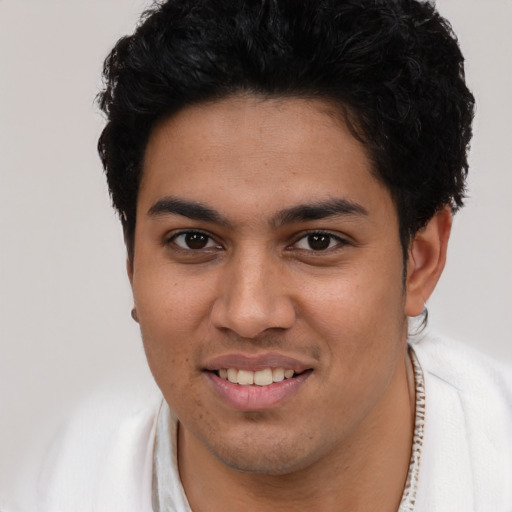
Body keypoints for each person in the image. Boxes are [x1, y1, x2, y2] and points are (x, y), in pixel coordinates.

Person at [29, 0, 512, 511]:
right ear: (132, 263)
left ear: (420, 261)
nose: (249, 314)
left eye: (317, 241)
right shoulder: (55, 491)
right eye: (194, 240)